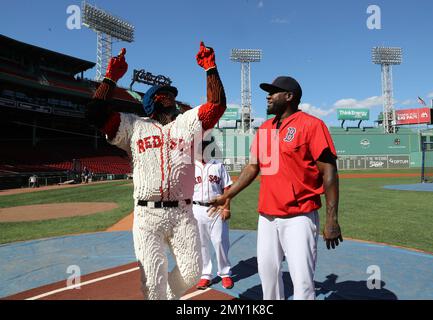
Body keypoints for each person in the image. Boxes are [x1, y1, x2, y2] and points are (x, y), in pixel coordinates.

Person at [84, 42, 227, 300]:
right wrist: (110, 77)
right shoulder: (133, 125)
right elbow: (94, 113)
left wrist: (210, 67)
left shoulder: (187, 123)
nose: (170, 95)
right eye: (164, 94)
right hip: (147, 216)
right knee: (152, 280)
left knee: (193, 272)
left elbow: (216, 105)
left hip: (183, 213)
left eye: (172, 93)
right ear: (152, 101)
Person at [208, 76, 342, 300]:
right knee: (267, 277)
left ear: (289, 97)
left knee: (302, 283)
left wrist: (332, 219)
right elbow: (252, 167)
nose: (268, 96)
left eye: (274, 92)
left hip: (299, 216)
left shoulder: (312, 124)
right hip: (267, 217)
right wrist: (228, 194)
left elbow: (329, 171)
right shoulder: (265, 128)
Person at [193, 138, 233, 290]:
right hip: (196, 209)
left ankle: (225, 273)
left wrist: (226, 207)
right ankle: (205, 275)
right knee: (201, 243)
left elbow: (227, 188)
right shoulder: (191, 167)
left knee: (220, 241)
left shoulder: (218, 165)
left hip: (216, 208)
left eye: (203, 147)